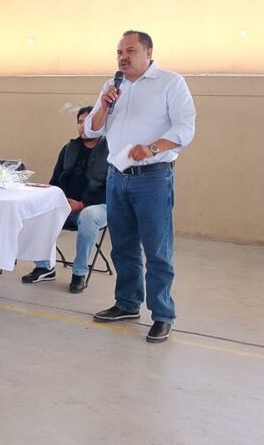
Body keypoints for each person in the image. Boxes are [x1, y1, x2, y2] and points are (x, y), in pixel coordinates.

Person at [84, 30, 196, 343]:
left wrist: (153, 147)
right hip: (117, 177)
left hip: (154, 178)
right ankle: (127, 303)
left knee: (157, 250)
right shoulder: (112, 85)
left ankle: (162, 314)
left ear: (148, 52)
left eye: (130, 51)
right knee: (122, 246)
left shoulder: (171, 83)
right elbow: (91, 130)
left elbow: (185, 128)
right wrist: (105, 106)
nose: (123, 57)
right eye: (119, 51)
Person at [21, 106, 108, 294]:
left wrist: (82, 204)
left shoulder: (111, 151)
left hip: (98, 207)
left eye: (87, 121)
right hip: (66, 206)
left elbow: (113, 188)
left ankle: (79, 273)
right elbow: (55, 182)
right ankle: (44, 267)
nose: (82, 126)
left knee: (89, 215)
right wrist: (56, 199)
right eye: (79, 122)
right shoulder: (69, 149)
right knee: (36, 211)